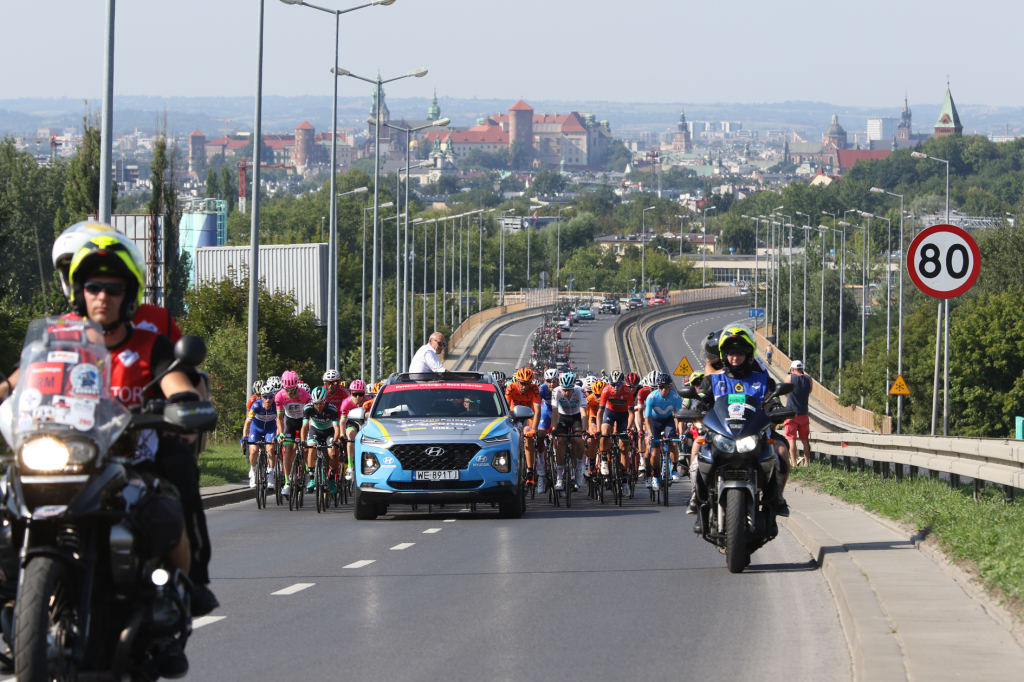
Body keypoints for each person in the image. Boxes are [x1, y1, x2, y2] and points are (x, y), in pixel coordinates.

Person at [694, 327, 789, 516]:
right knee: (696, 449)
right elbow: (701, 400)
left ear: (748, 354)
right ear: (723, 355)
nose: (735, 358)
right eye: (730, 353)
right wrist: (695, 409)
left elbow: (773, 402)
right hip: (720, 436)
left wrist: (777, 409)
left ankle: (777, 496)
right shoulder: (712, 381)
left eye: (739, 353)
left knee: (782, 452)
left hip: (757, 436)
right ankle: (695, 497)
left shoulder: (764, 381)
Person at [53, 220, 183, 342]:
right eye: (92, 285)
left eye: (114, 287)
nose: (102, 296)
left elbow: (181, 361)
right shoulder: (63, 329)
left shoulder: (155, 320)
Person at [645, 372, 684, 492]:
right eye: (661, 387)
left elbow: (679, 417)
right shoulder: (652, 397)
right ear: (657, 387)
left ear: (670, 387)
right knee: (655, 454)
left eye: (666, 387)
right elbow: (647, 418)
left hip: (668, 421)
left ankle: (674, 469)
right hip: (654, 423)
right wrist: (650, 434)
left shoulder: (676, 397)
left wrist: (681, 433)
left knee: (673, 443)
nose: (663, 390)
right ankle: (656, 476)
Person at [275, 370, 311, 497]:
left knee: (305, 448)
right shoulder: (279, 396)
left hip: (303, 421)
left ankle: (307, 473)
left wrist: (308, 432)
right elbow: (279, 418)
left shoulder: (304, 394)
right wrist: (280, 433)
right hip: (289, 422)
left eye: (292, 389)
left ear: (296, 385)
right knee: (288, 449)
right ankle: (287, 482)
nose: (289, 392)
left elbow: (309, 417)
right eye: (287, 389)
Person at [550, 372, 588, 490]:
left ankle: (579, 470)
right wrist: (554, 429)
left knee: (579, 440)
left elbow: (583, 413)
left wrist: (584, 431)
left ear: (573, 387)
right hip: (562, 416)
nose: (566, 393)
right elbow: (555, 412)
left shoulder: (579, 391)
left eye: (569, 390)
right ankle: (560, 478)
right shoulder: (556, 391)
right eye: (564, 390)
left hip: (576, 417)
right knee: (560, 441)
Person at [300, 386, 342, 494]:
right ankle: (312, 478)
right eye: (316, 403)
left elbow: (337, 428)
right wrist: (303, 441)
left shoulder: (332, 409)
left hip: (329, 431)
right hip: (315, 430)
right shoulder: (308, 408)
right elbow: (304, 427)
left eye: (321, 403)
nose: (318, 406)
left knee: (332, 453)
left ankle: (332, 480)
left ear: (325, 401)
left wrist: (335, 442)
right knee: (312, 448)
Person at [505, 367, 542, 484]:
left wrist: (534, 429)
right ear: (517, 381)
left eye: (527, 384)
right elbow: (505, 408)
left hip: (528, 416)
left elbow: (537, 411)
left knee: (528, 438)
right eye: (522, 383)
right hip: (514, 415)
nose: (524, 386)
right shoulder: (510, 387)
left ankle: (530, 472)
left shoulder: (534, 388)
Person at [596, 370, 635, 479]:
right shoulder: (606, 390)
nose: (615, 387)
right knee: (604, 432)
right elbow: (600, 412)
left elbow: (631, 413)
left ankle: (624, 475)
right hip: (610, 414)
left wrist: (628, 428)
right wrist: (598, 429)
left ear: (622, 384)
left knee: (624, 447)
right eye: (613, 384)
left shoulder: (628, 392)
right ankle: (604, 459)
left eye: (618, 384)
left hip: (623, 416)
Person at [243, 383, 279, 490]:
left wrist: (278, 434)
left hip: (270, 429)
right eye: (265, 396)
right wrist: (245, 436)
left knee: (270, 448)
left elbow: (280, 422)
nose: (268, 399)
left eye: (270, 396)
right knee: (253, 450)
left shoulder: (276, 406)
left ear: (274, 397)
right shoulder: (256, 405)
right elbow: (248, 422)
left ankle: (271, 477)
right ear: (261, 397)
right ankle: (253, 472)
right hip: (256, 429)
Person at [784, 361, 812, 467]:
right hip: (803, 413)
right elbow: (810, 390)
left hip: (791, 412)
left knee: (792, 439)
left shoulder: (790, 377)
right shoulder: (808, 378)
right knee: (805, 440)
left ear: (792, 369)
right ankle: (807, 463)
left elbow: (785, 390)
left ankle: (794, 463)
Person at [339, 379, 367, 480]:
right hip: (351, 423)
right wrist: (342, 435)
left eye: (360, 394)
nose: (358, 397)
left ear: (364, 393)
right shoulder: (346, 403)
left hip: (364, 424)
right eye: (355, 394)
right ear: (351, 393)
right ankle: (350, 466)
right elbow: (342, 421)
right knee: (350, 437)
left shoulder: (368, 401)